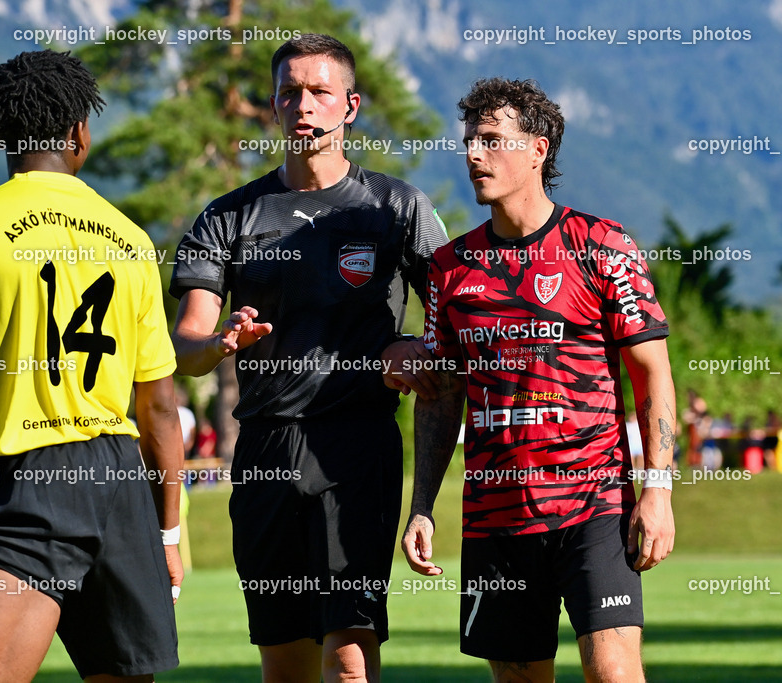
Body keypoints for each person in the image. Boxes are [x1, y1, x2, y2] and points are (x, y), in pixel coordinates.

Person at [170, 33, 448, 683]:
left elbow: (458, 321)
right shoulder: (228, 217)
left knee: (349, 659)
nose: (304, 105)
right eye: (290, 92)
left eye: (320, 92)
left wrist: (415, 349)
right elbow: (185, 349)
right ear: (273, 105)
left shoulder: (396, 208)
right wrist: (219, 342)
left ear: (350, 105)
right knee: (285, 663)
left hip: (357, 449)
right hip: (263, 449)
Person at [0, 50, 184, 683]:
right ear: (79, 134)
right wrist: (165, 534)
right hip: (120, 484)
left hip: (24, 483)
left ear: (0, 136)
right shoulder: (131, 239)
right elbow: (161, 408)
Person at [402, 77, 676, 683]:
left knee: (614, 673)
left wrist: (657, 490)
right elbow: (442, 396)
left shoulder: (601, 245)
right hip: (495, 516)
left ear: (538, 149)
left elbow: (652, 372)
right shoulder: (449, 268)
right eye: (469, 140)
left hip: (595, 507)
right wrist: (421, 507)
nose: (473, 154)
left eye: (491, 140)